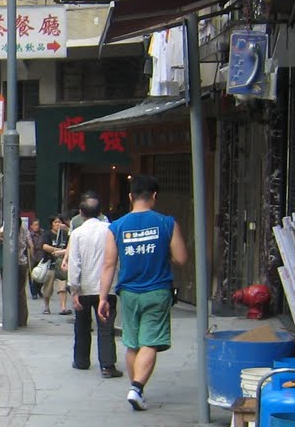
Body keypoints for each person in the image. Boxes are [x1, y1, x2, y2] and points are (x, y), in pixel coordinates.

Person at [99, 173, 188, 410]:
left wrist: (102, 297)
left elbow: (108, 264)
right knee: (151, 341)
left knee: (132, 343)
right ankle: (136, 388)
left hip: (127, 292)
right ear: (154, 196)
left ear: (130, 197)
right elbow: (181, 258)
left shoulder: (116, 227)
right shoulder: (167, 223)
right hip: (157, 291)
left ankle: (136, 389)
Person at [66, 193, 121, 378]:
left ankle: (81, 360)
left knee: (81, 325)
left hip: (84, 286)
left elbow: (75, 263)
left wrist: (73, 289)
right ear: (100, 212)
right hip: (107, 286)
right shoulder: (111, 229)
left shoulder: (77, 233)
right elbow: (116, 260)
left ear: (81, 213)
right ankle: (107, 365)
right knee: (106, 326)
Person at [41, 213, 70, 315]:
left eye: (60, 222)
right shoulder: (48, 234)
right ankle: (46, 306)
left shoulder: (66, 235)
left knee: (62, 287)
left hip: (62, 263)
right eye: (56, 222)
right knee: (48, 289)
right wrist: (57, 250)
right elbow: (44, 246)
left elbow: (70, 247)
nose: (58, 224)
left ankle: (63, 307)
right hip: (51, 263)